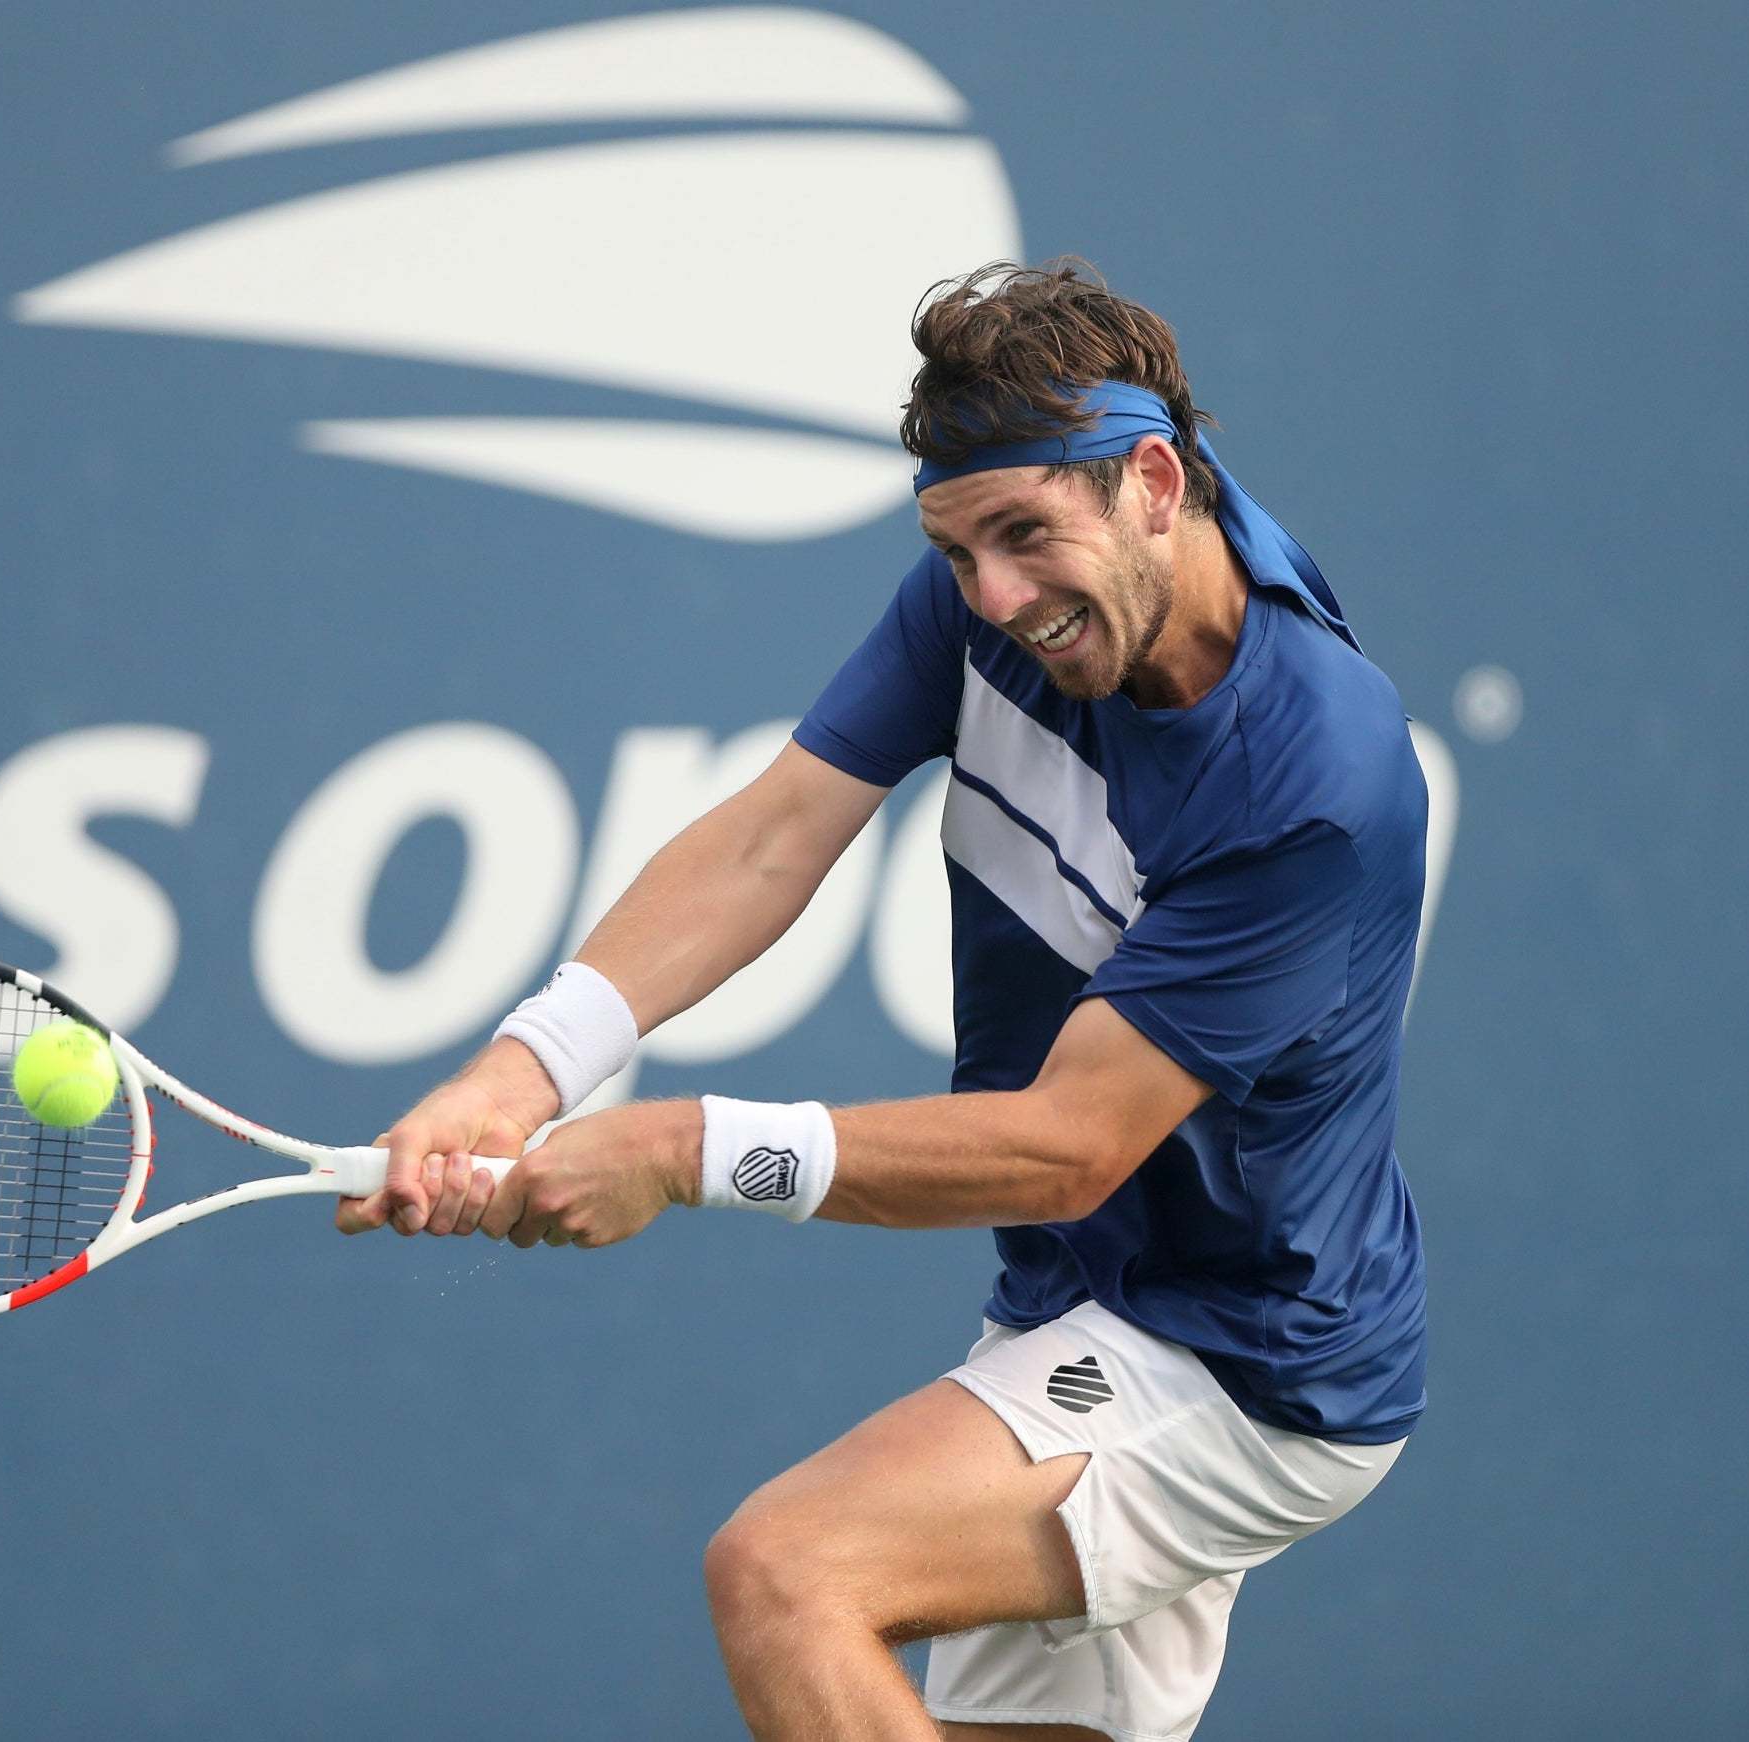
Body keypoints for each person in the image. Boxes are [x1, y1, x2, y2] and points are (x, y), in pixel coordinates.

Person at [334, 259, 1428, 1742]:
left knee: (790, 1571)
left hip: (1238, 1352)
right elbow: (769, 837)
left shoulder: (1316, 775)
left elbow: (1067, 1145)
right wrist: (527, 1069)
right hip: (1083, 1302)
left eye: (1024, 538)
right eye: (958, 548)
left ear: (1152, 481)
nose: (994, 596)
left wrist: (677, 1150)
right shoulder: (1000, 593)